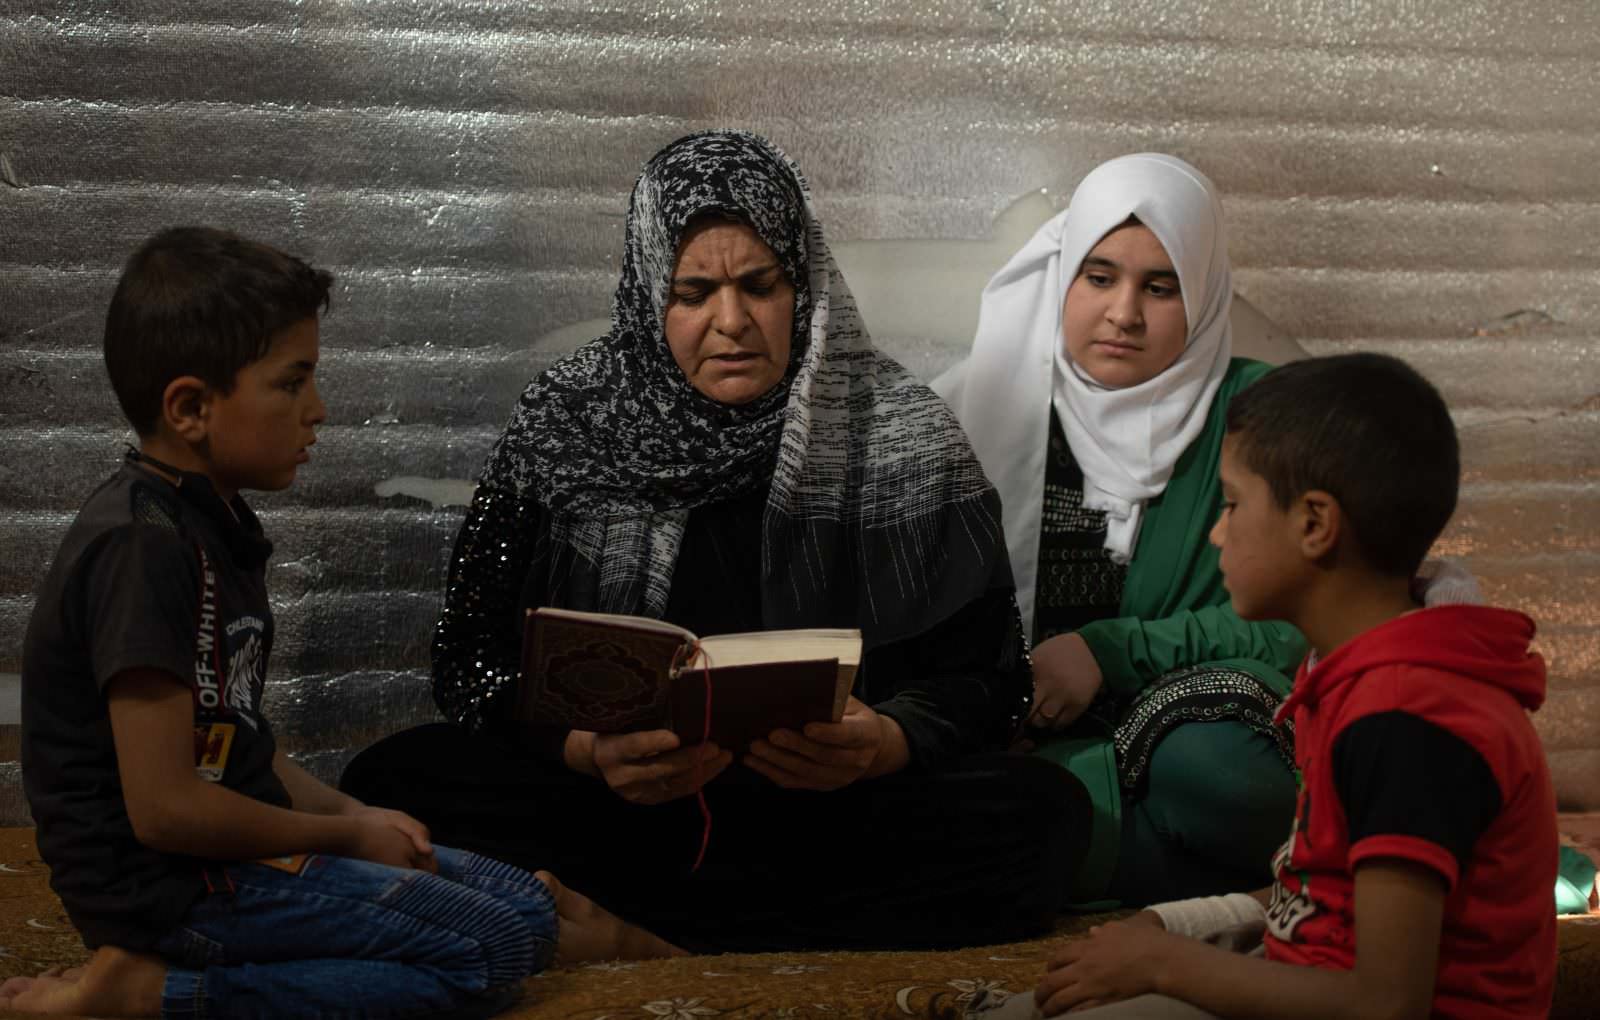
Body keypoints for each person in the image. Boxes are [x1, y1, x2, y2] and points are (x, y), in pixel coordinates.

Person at [340, 130, 1090, 952]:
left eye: (758, 285)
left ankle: (631, 930)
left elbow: (988, 676)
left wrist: (884, 742)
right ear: (647, 292)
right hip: (623, 809)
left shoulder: (899, 429)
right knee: (395, 780)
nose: (730, 323)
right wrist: (589, 750)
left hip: (830, 813)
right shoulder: (568, 420)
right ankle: (766, 931)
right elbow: (470, 656)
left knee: (1042, 812)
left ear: (801, 286)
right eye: (693, 292)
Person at [6, 227, 678, 1019]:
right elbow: (167, 809)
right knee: (492, 954)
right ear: (190, 407)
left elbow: (238, 744)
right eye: (293, 384)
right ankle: (157, 990)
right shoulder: (142, 550)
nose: (318, 412)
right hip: (173, 888)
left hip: (226, 867)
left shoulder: (208, 524)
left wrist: (351, 812)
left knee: (521, 908)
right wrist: (345, 842)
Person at [1030, 353, 1557, 1019]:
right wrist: (1177, 927)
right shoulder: (1351, 679)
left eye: (1231, 503)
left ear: (1313, 524)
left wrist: (1168, 965)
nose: (1218, 531)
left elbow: (1386, 1003)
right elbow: (1321, 896)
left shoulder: (1409, 720)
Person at [935, 153, 1307, 906]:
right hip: (1002, 740)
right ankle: (1184, 880)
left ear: (1203, 295)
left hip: (1180, 742)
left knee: (1231, 773)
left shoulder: (1261, 416)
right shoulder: (976, 409)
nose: (1124, 313)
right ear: (1063, 274)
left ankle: (1064, 859)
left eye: (1160, 287)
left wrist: (1109, 652)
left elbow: (1298, 627)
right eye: (1099, 277)